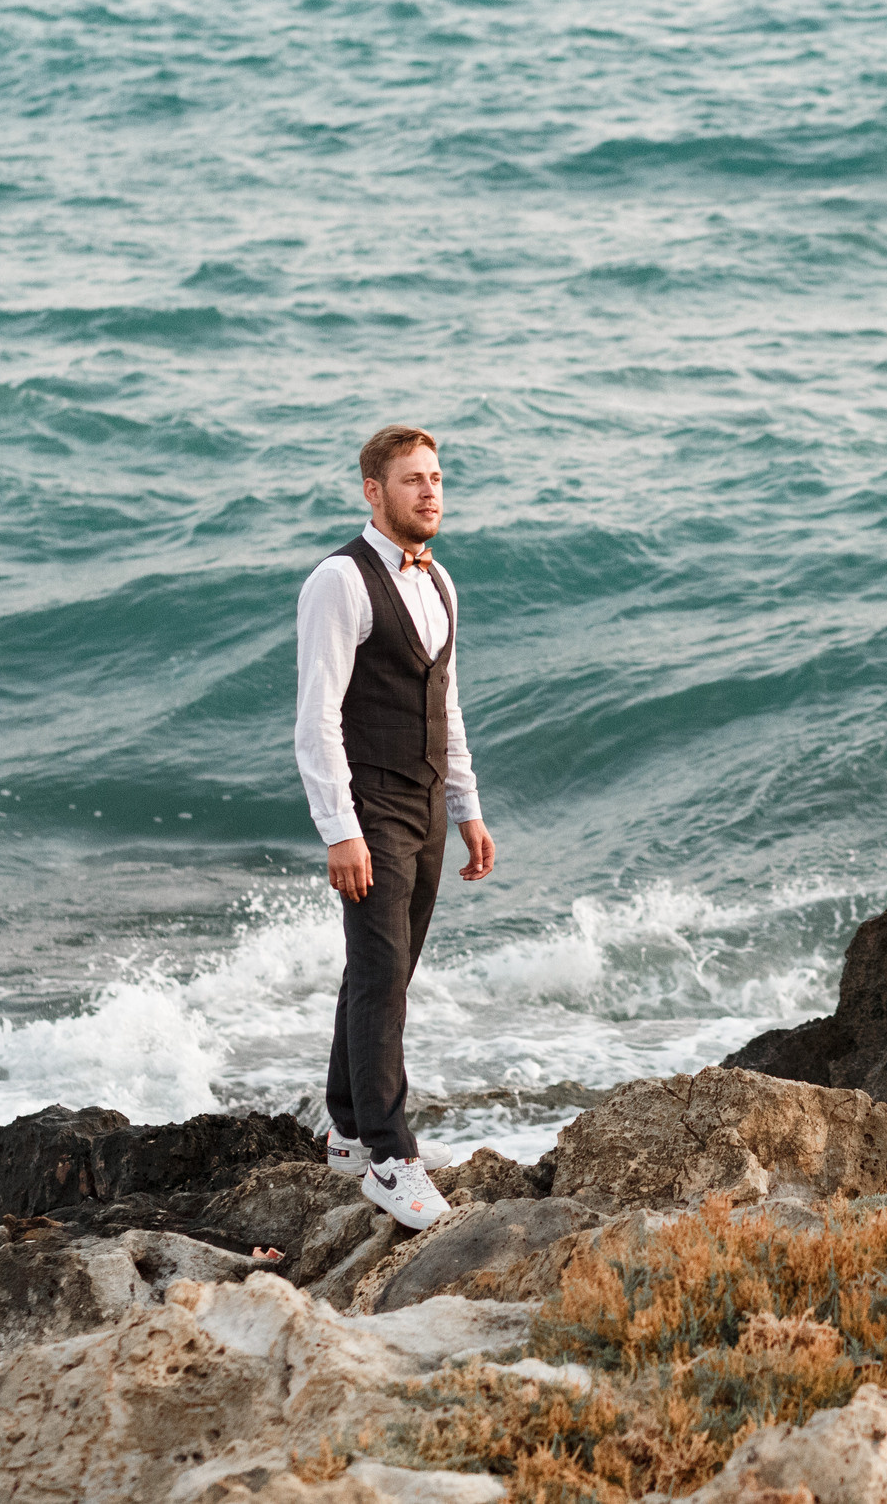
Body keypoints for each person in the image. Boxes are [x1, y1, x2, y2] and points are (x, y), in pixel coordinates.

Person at [294, 423, 498, 1232]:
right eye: (412, 479)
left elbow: (445, 705)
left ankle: (345, 1124)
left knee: (390, 966)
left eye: (438, 477)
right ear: (373, 491)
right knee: (380, 971)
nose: (430, 491)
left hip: (424, 804)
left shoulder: (441, 581)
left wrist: (467, 807)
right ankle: (390, 1155)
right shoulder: (339, 582)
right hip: (370, 804)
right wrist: (339, 828)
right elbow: (315, 719)